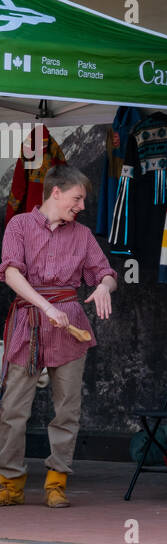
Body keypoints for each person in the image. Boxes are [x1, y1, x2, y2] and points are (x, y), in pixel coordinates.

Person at [0, 165, 117, 508]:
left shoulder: (81, 235)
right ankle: (10, 481)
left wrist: (105, 287)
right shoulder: (19, 225)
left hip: (71, 327)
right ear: (56, 192)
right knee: (12, 409)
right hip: (29, 324)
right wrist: (46, 308)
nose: (81, 206)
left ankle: (56, 481)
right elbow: (9, 273)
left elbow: (106, 273)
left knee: (67, 409)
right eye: (77, 198)